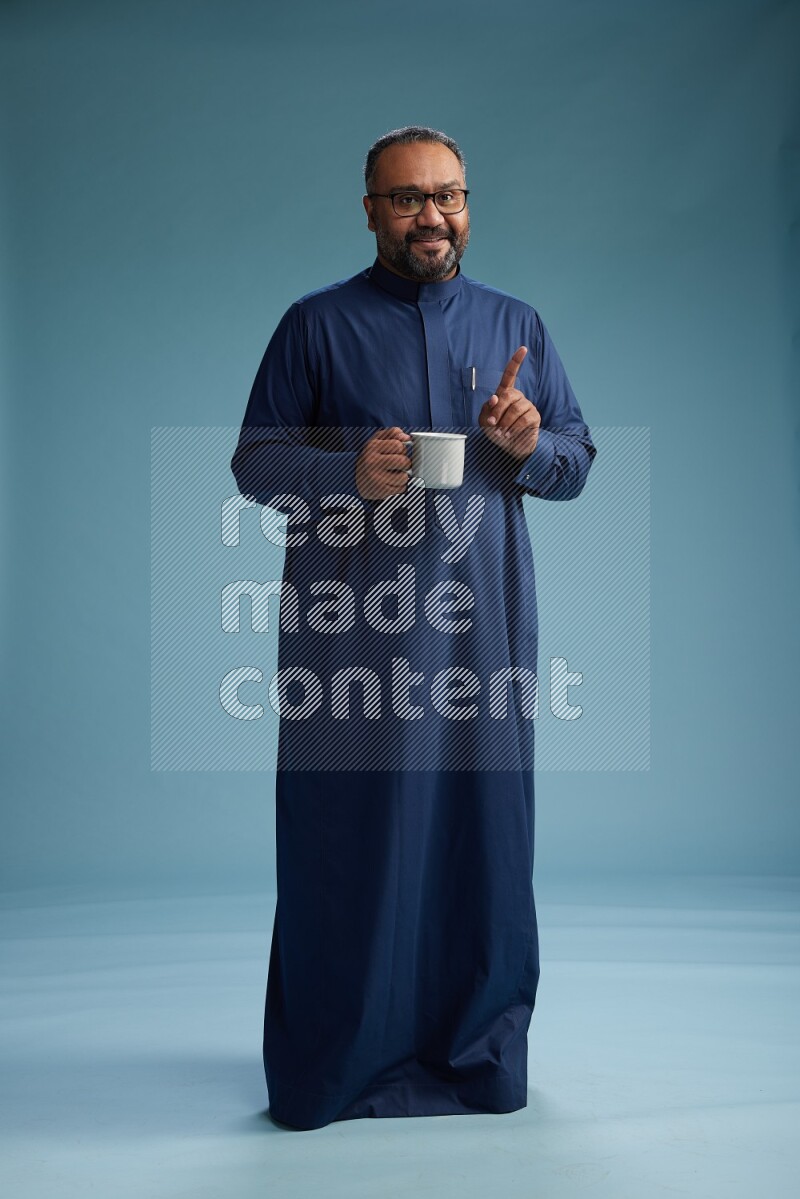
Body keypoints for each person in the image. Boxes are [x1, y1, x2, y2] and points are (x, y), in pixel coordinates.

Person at [230, 126, 596, 1130]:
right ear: (369, 211)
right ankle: (336, 1065)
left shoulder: (513, 321)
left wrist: (530, 444)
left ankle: (474, 1057)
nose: (431, 216)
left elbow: (575, 455)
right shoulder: (316, 326)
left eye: (448, 195)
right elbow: (254, 461)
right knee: (346, 839)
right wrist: (344, 472)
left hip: (481, 635)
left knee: (481, 840)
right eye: (406, 199)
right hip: (350, 635)